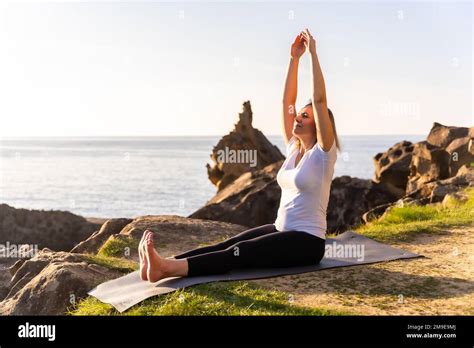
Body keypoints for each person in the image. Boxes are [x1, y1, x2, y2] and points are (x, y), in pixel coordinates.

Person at [139, 28, 341, 282]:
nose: (297, 117)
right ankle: (166, 263)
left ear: (320, 126)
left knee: (241, 253)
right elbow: (286, 102)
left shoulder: (323, 155)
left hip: (307, 243)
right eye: (299, 114)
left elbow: (320, 101)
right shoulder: (293, 149)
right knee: (231, 243)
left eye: (305, 116)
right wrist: (294, 59)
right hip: (282, 230)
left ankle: (167, 269)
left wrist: (313, 54)